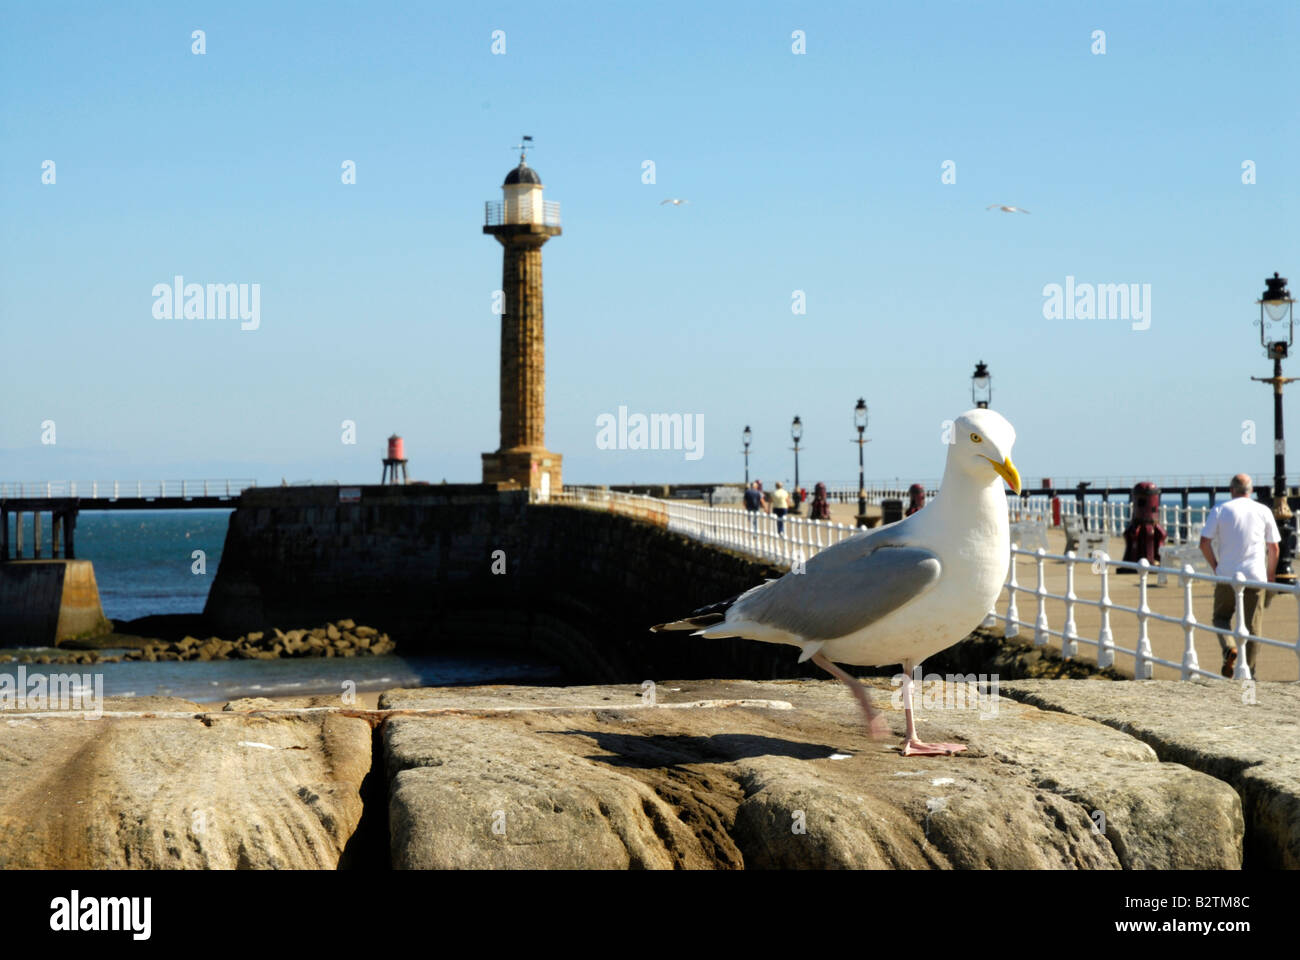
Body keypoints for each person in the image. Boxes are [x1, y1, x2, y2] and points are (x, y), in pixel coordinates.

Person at [1199, 473, 1279, 678]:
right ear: (1250, 490)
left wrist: (1216, 566)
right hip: (1255, 576)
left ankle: (1229, 648)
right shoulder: (1263, 510)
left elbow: (1204, 543)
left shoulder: (1220, 509)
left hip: (1227, 575)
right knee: (1253, 627)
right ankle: (1249, 672)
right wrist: (1270, 575)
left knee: (1221, 617)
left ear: (1231, 490)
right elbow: (1274, 548)